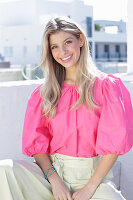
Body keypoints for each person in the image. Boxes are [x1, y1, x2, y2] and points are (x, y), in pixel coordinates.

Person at [0, 16, 133, 200]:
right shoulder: (45, 93)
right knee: (5, 170)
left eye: (67, 42)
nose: (62, 51)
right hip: (50, 177)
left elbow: (114, 147)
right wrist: (56, 182)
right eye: (54, 46)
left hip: (91, 179)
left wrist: (89, 188)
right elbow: (39, 147)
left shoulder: (106, 88)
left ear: (80, 39)